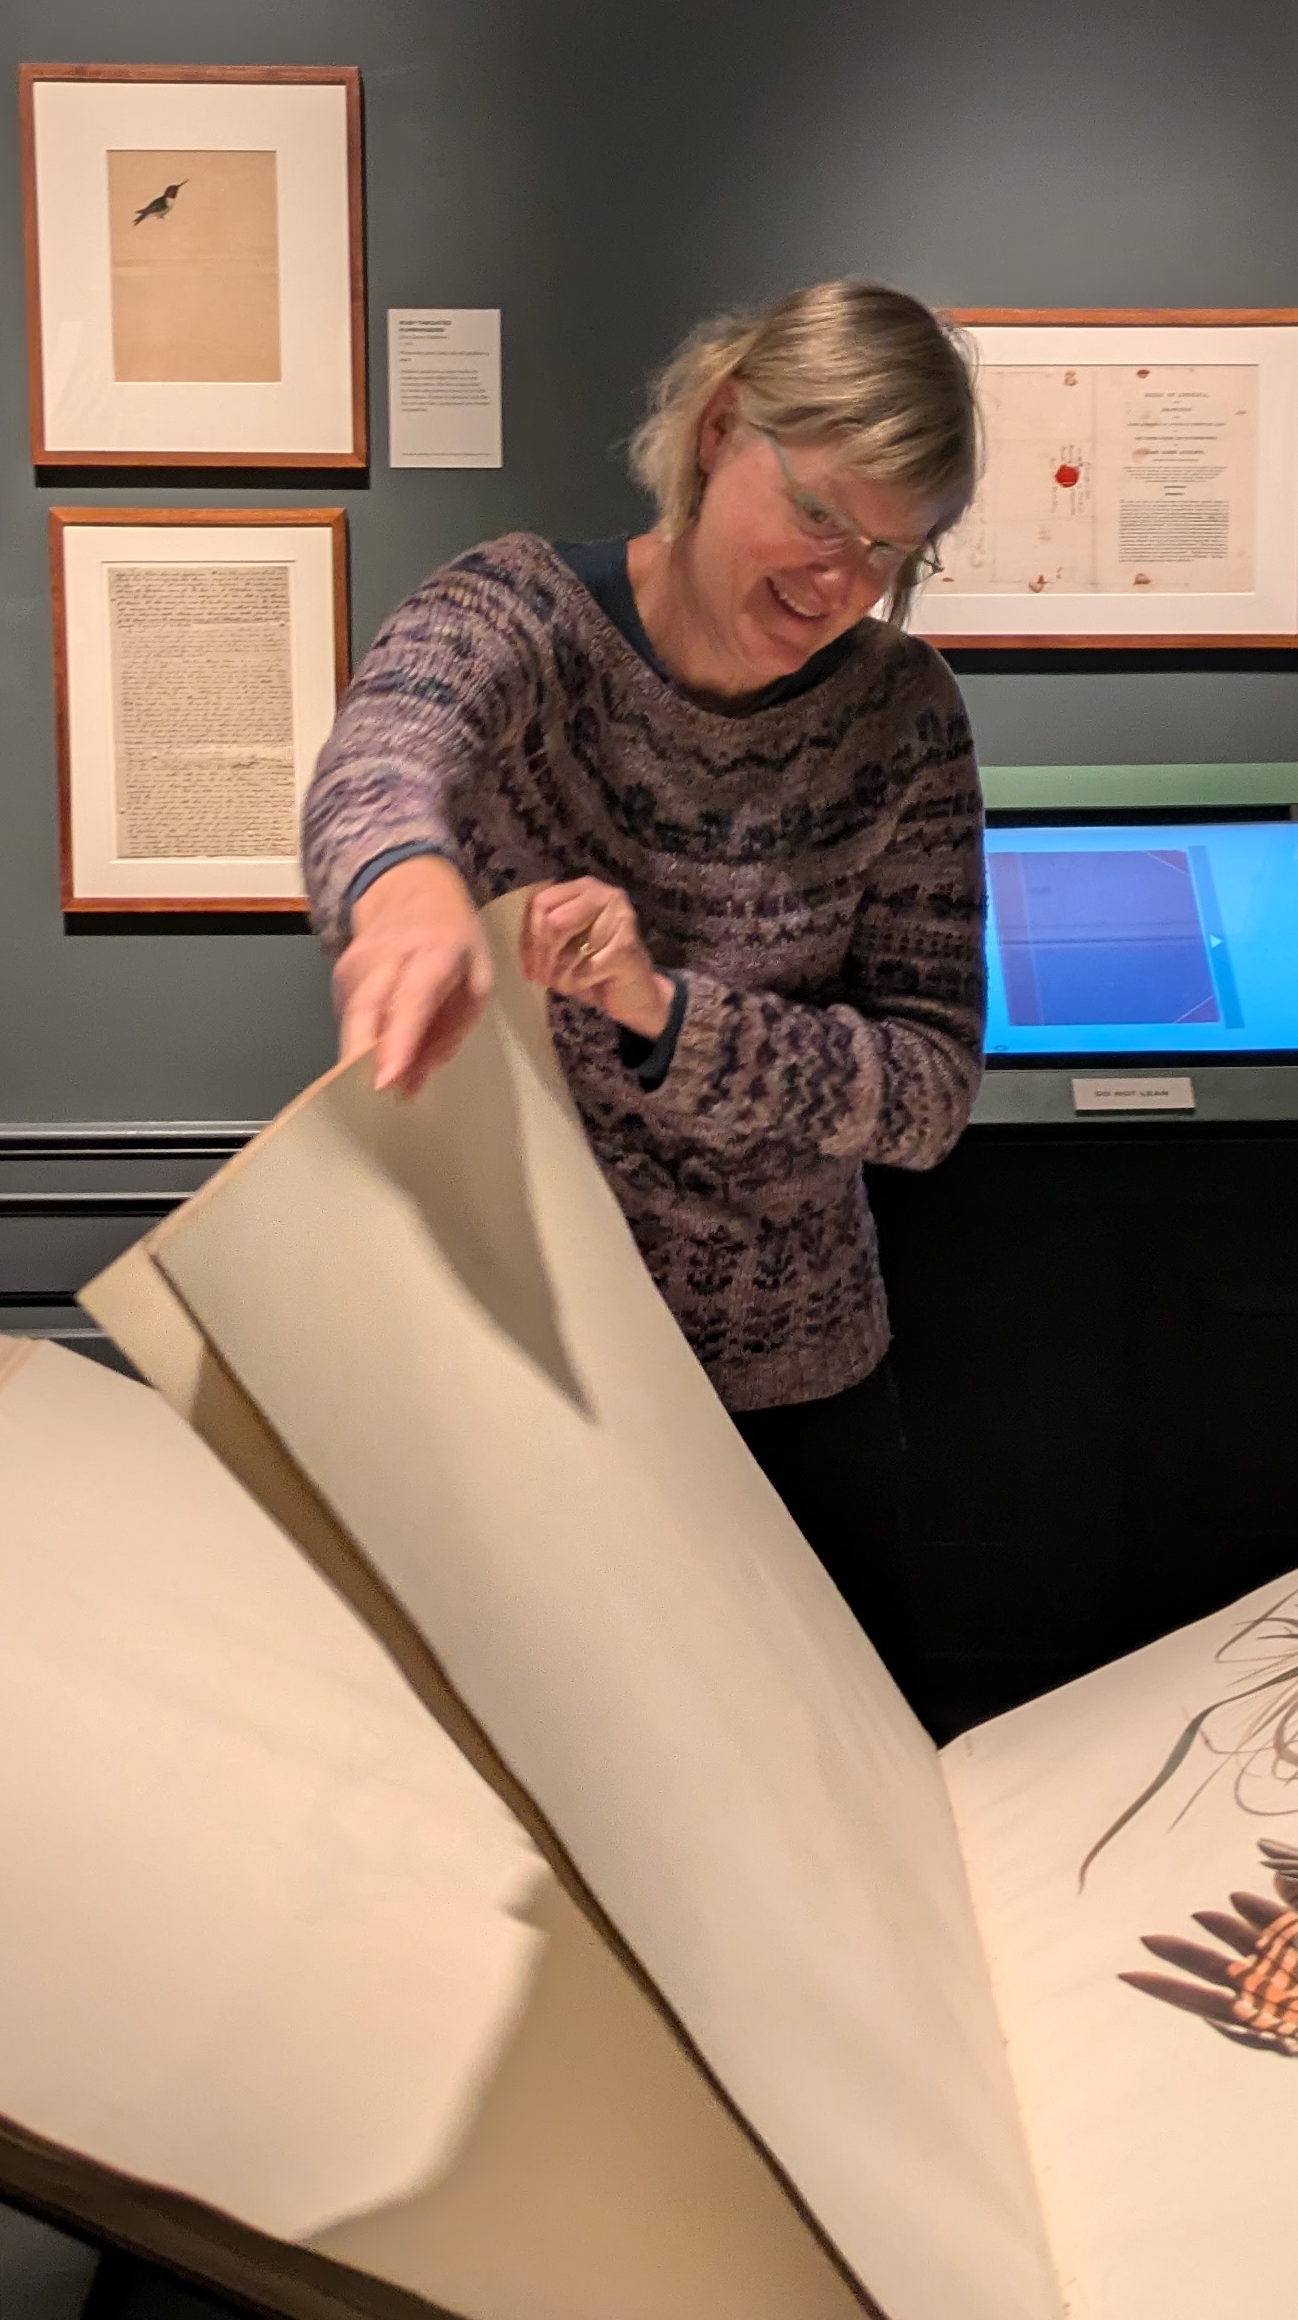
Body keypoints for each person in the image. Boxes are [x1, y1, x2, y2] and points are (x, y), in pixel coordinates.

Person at [301, 281, 987, 1672]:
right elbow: (384, 757)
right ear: (724, 428)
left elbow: (926, 1093)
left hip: (790, 1393)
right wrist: (407, 894)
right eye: (819, 518)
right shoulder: (521, 617)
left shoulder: (901, 715)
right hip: (508, 1362)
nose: (841, 585)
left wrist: (665, 1012)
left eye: (890, 553)